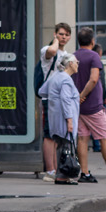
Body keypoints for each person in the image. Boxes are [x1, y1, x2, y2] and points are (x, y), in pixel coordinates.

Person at [73, 27, 106, 184]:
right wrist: (83, 95)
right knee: (105, 139)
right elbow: (93, 79)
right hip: (93, 106)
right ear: (92, 41)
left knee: (82, 139)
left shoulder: (73, 56)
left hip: (78, 108)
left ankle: (84, 173)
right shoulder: (94, 56)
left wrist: (77, 98)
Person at [38, 22, 72, 180]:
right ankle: (50, 170)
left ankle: (57, 168)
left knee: (58, 134)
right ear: (55, 34)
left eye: (66, 35)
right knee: (49, 134)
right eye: (61, 34)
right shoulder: (47, 50)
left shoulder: (67, 55)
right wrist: (55, 42)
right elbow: (52, 50)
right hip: (50, 98)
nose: (63, 37)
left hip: (61, 99)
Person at [41, 52, 80, 185]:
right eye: (76, 62)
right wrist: (70, 120)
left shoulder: (55, 76)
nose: (77, 64)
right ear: (70, 64)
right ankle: (63, 176)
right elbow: (66, 100)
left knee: (61, 147)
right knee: (66, 148)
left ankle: (60, 174)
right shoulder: (66, 79)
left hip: (54, 119)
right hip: (64, 119)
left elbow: (42, 91)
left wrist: (53, 99)